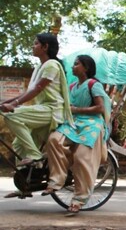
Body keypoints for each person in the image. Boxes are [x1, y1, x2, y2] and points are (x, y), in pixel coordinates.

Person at [0, 33, 72, 193]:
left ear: (45, 47)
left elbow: (38, 88)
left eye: (36, 43)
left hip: (53, 110)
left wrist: (14, 105)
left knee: (12, 116)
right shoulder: (39, 67)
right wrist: (5, 103)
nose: (33, 46)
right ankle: (28, 182)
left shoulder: (52, 65)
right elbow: (30, 90)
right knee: (18, 146)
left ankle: (35, 155)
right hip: (43, 110)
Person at [43, 55, 112, 215]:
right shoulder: (72, 86)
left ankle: (79, 200)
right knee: (54, 139)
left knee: (81, 158)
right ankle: (57, 179)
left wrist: (77, 110)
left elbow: (100, 108)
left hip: (91, 123)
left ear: (86, 68)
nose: (73, 67)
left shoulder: (94, 85)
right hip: (74, 122)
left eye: (76, 64)